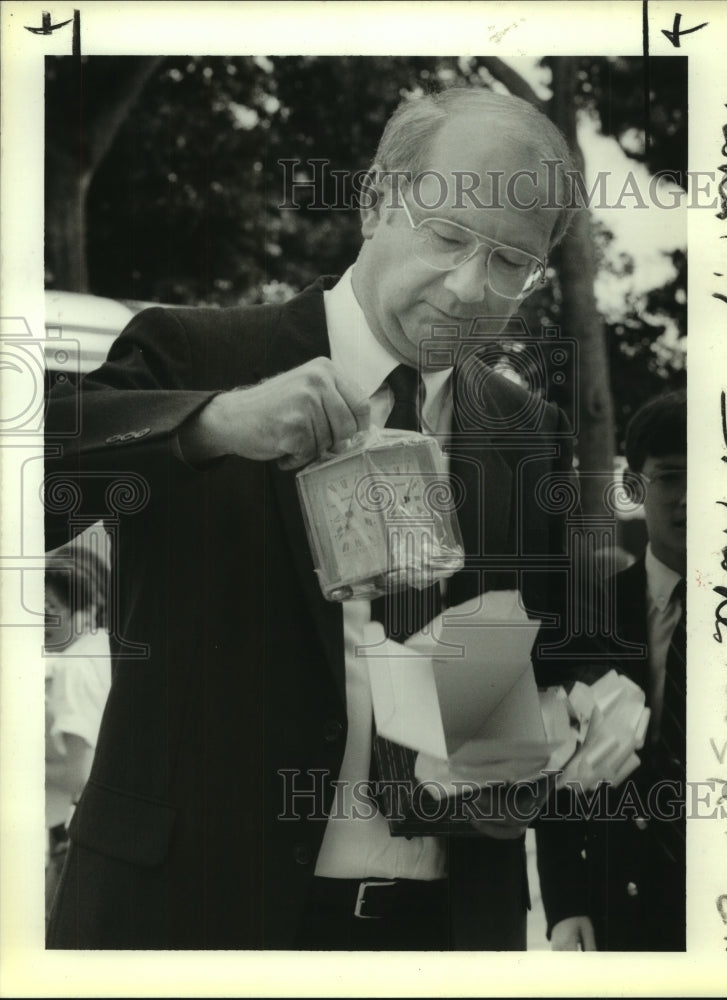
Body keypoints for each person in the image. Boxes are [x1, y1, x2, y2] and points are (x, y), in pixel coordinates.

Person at [44, 86, 577, 950]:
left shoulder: (526, 433)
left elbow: (512, 668)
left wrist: (525, 748)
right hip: (190, 921)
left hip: (437, 934)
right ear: (375, 203)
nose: (471, 288)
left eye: (510, 264)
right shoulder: (196, 356)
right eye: (446, 237)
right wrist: (213, 424)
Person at [535, 390, 687, 951]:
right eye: (670, 478)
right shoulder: (587, 614)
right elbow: (554, 764)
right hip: (619, 908)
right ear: (632, 488)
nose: (692, 501)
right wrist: (566, 902)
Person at [44, 543, 112, 921]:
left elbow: (78, 774)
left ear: (84, 611)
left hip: (71, 837)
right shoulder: (104, 647)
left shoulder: (74, 667)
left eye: (50, 611)